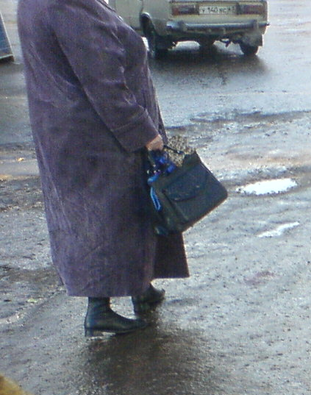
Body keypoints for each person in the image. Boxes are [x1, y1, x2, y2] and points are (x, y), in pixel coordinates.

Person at [17, 0, 188, 337]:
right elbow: (103, 81)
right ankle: (99, 309)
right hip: (97, 137)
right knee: (104, 219)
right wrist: (143, 130)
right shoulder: (67, 6)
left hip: (75, 131)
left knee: (127, 213)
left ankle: (141, 287)